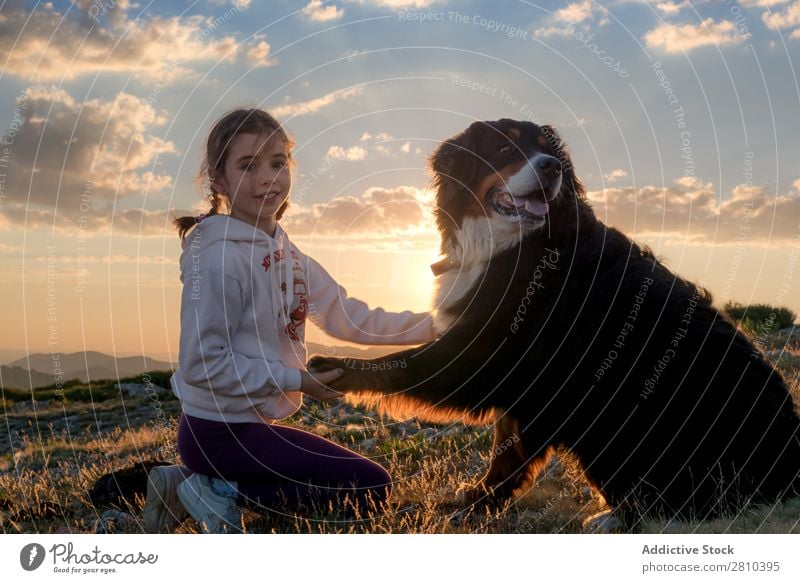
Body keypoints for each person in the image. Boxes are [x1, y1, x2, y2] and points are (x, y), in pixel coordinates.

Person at [142, 108, 436, 533]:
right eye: (249, 166)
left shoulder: (284, 252)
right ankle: (217, 490)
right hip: (217, 434)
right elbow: (202, 364)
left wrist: (439, 325)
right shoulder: (218, 257)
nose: (268, 178)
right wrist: (297, 381)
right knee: (369, 488)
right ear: (219, 182)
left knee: (364, 484)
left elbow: (350, 318)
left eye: (278, 163)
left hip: (249, 429)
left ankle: (188, 484)